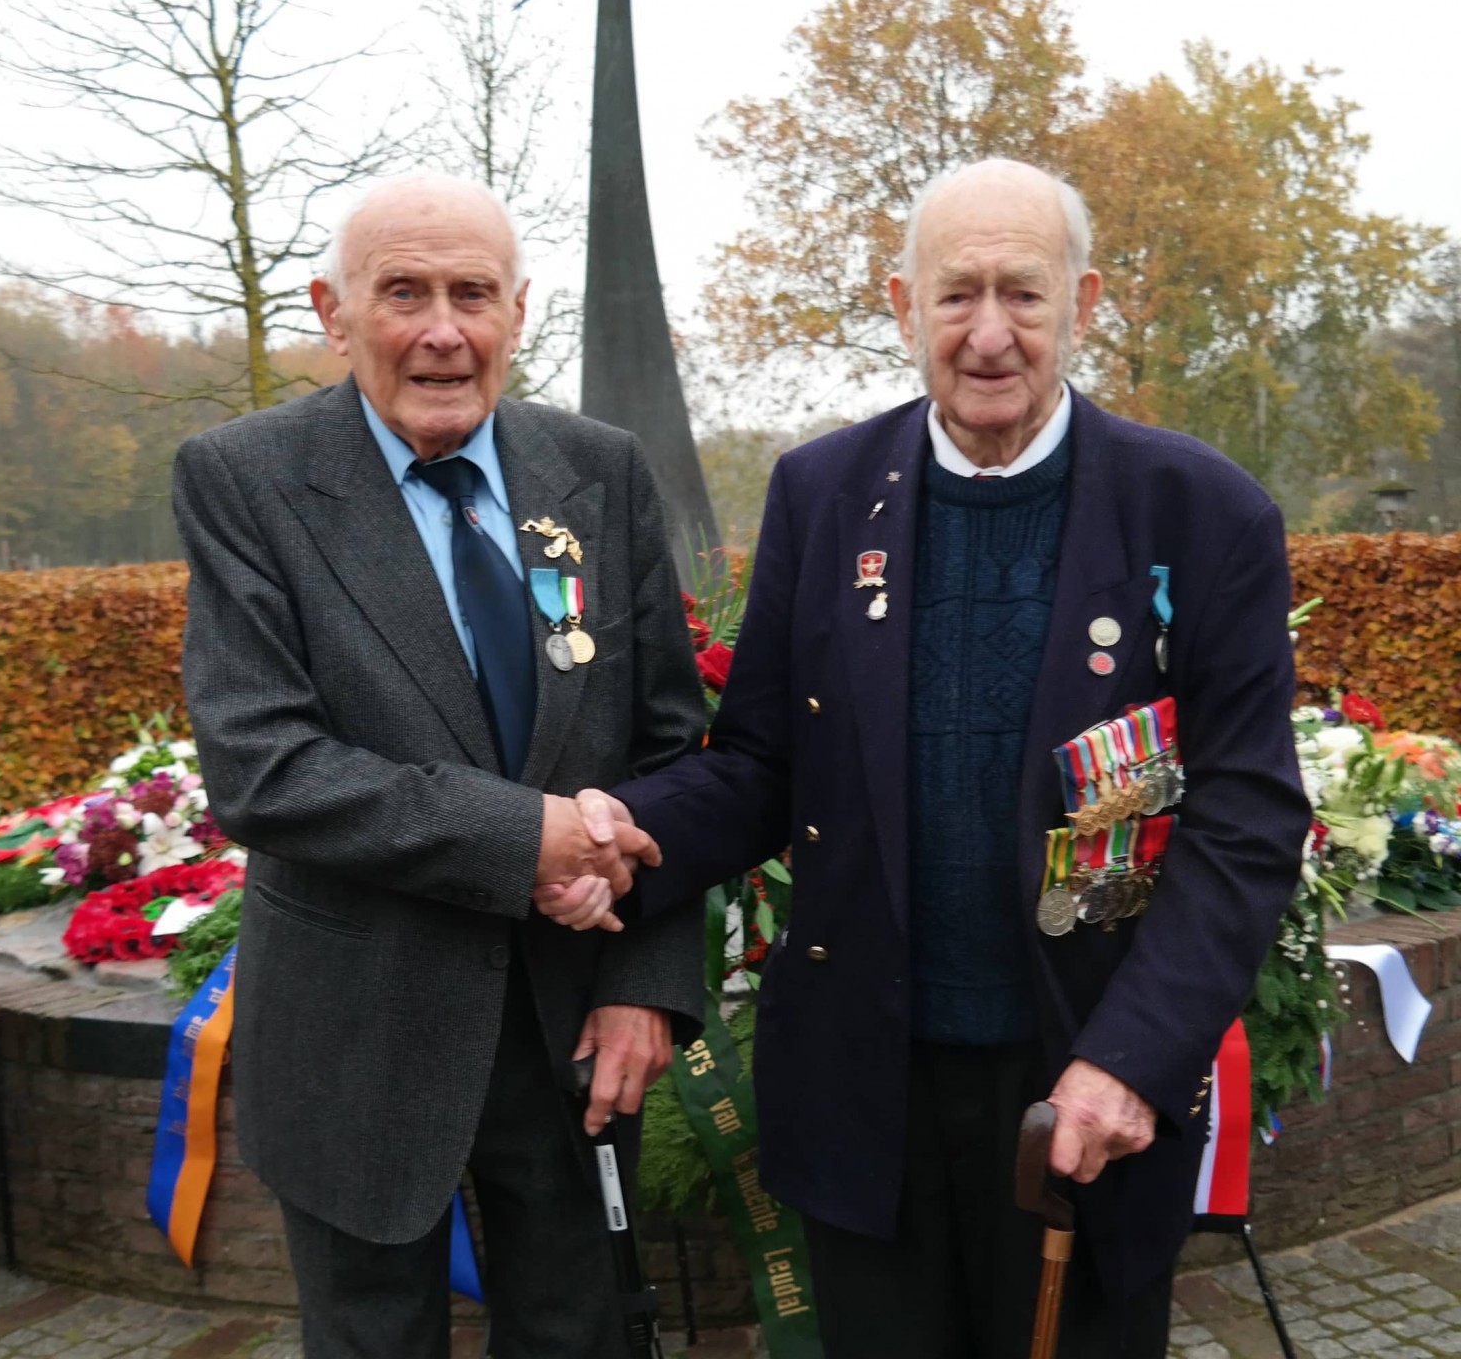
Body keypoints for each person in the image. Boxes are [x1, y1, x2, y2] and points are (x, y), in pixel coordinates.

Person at [540, 158, 1311, 1356]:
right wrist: (630, 835)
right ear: (902, 306)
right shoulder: (821, 491)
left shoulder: (1200, 512)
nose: (989, 333)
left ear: (1084, 301)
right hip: (867, 1088)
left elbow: (1246, 822)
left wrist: (1131, 1059)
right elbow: (758, 761)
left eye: (1023, 293)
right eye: (955, 296)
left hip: (1083, 1087)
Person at [171, 172, 707, 1359]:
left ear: (518, 308)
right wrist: (527, 839)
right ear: (332, 307)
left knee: (579, 1338)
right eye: (401, 292)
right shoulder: (244, 479)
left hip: (573, 1016)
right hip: (355, 1032)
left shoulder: (601, 471)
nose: (441, 330)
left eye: (472, 293)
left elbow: (670, 746)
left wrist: (648, 981)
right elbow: (264, 765)